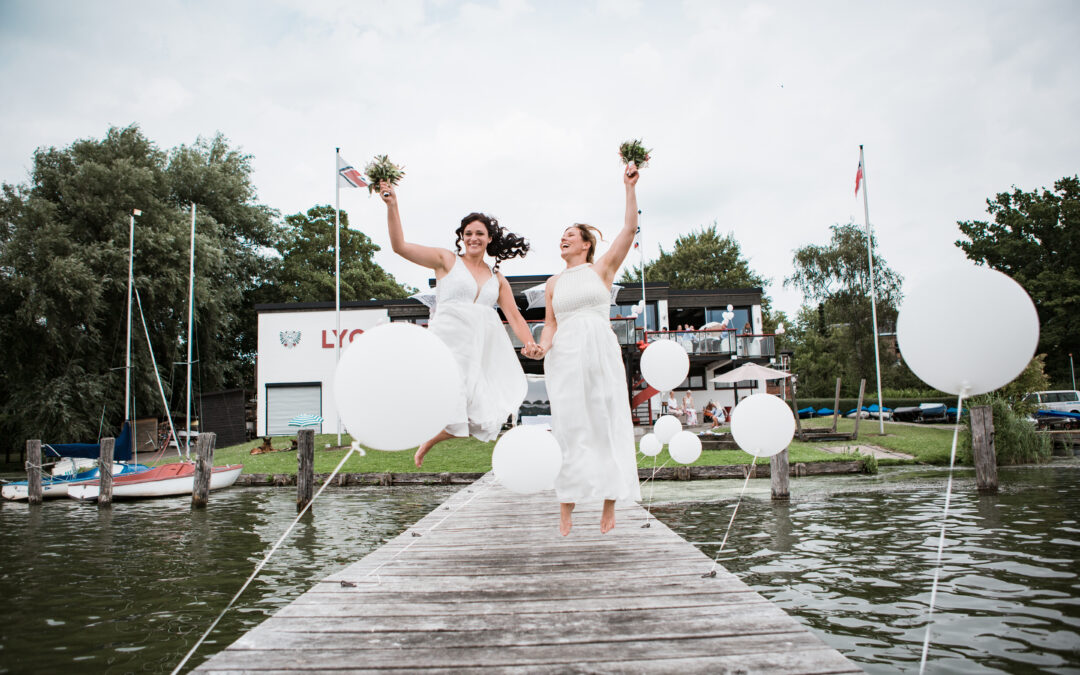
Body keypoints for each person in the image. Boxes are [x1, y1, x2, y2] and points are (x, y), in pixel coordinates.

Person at [379, 181, 539, 467]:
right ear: (461, 238)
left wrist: (530, 343)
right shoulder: (445, 260)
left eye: (480, 233)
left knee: (481, 417)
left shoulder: (497, 278)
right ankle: (416, 431)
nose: (473, 238)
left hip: (478, 350)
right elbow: (399, 247)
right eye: (468, 234)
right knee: (448, 403)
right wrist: (393, 206)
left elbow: (514, 316)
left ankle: (432, 438)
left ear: (489, 238)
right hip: (447, 343)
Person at [530, 163, 643, 536]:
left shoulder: (602, 270)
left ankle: (610, 502)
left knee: (606, 420)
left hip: (598, 350)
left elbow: (628, 230)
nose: (563, 239)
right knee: (569, 426)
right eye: (561, 235)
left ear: (586, 244)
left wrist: (628, 187)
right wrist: (541, 348)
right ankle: (567, 504)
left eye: (570, 235)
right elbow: (550, 323)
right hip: (564, 355)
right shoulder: (552, 282)